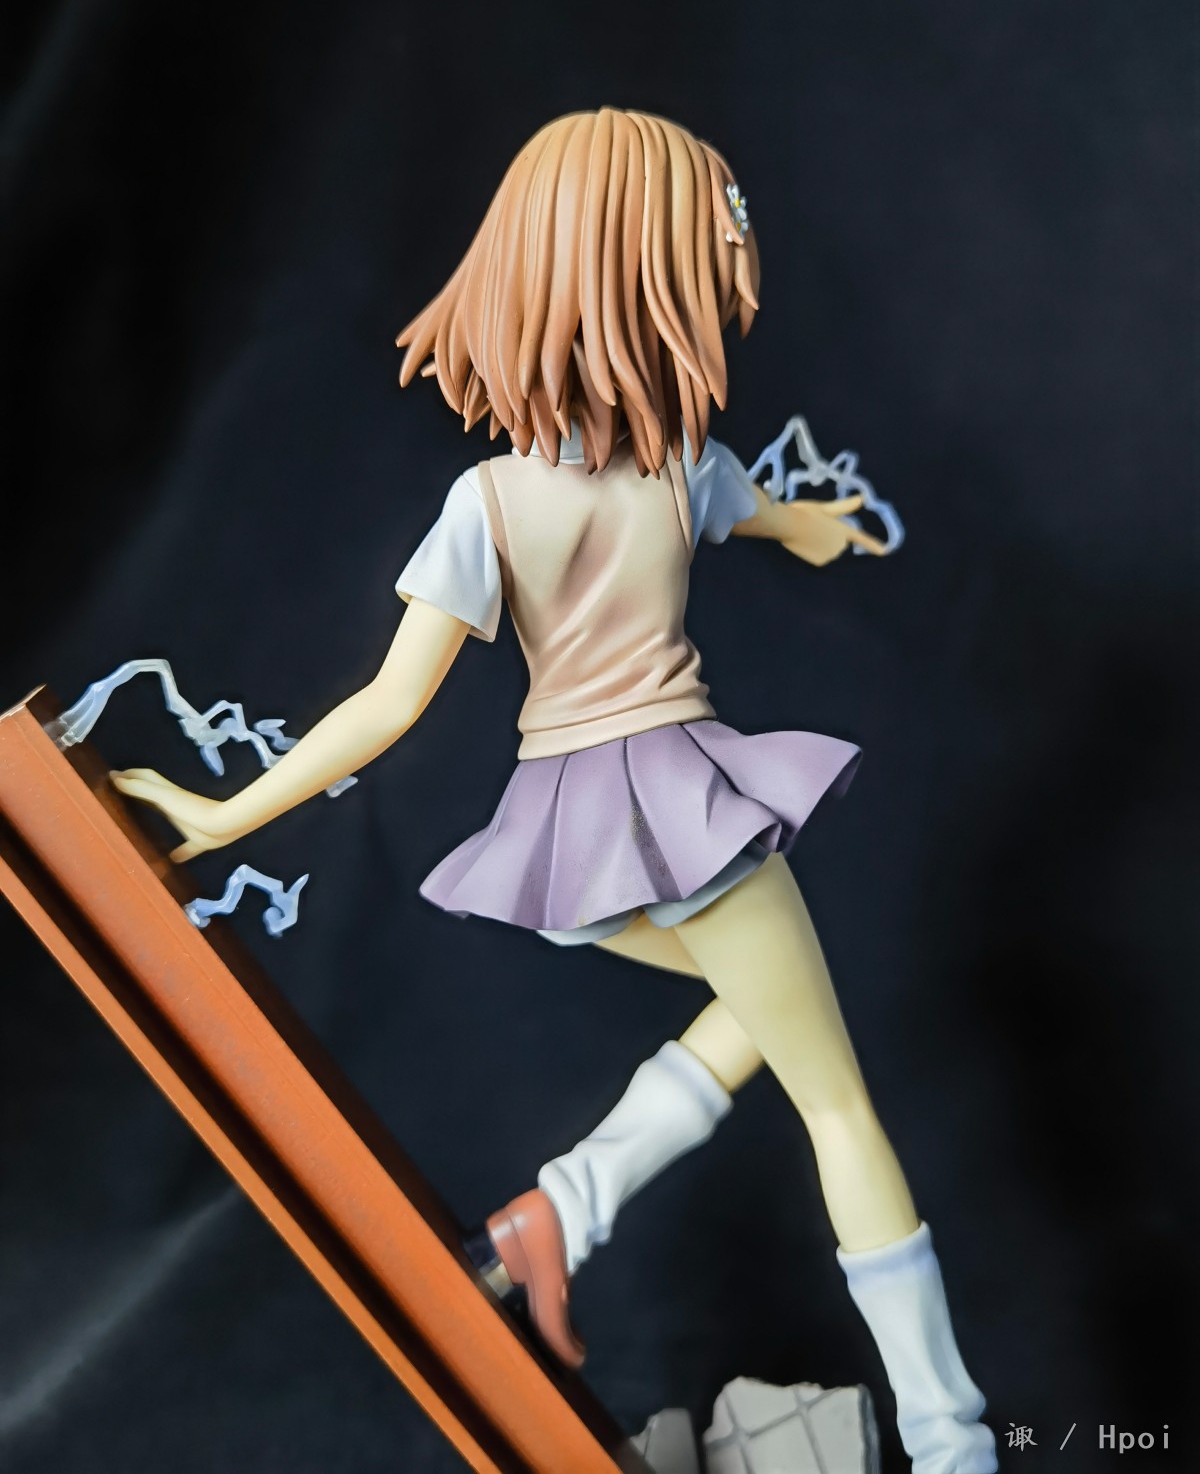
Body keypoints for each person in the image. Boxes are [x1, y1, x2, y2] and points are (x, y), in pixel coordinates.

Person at [113, 108, 997, 1474]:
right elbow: (757, 516)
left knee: (758, 1017)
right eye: (717, 235)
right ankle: (953, 1438)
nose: (735, 265)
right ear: (642, 268)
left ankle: (558, 1216)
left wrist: (233, 814)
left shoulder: (505, 498)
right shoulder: (674, 470)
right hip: (684, 820)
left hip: (570, 848)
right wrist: (223, 819)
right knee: (839, 1105)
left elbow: (388, 705)